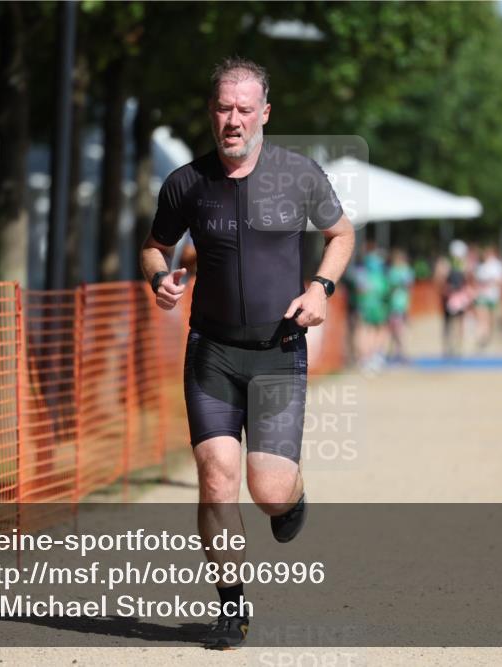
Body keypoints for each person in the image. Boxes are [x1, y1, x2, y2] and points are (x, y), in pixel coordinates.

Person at [141, 57, 355, 650]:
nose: (232, 120)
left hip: (277, 352)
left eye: (244, 109)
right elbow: (155, 247)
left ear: (264, 112)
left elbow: (342, 235)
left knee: (268, 491)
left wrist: (321, 287)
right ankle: (231, 606)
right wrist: (158, 277)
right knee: (216, 479)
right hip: (210, 351)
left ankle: (293, 493)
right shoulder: (186, 183)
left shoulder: (299, 175)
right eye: (223, 108)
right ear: (211, 112)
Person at [474, 245, 502, 349]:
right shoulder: (482, 266)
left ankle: (485, 337)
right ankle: (482, 337)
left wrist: (490, 282)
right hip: (483, 296)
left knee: (488, 320)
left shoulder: (497, 266)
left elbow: (501, 282)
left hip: (492, 296)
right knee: (483, 319)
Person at [386, 248, 415, 361]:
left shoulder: (396, 271)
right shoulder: (405, 270)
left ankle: (402, 351)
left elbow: (391, 287)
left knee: (398, 328)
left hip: (397, 304)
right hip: (400, 304)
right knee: (396, 328)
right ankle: (395, 351)